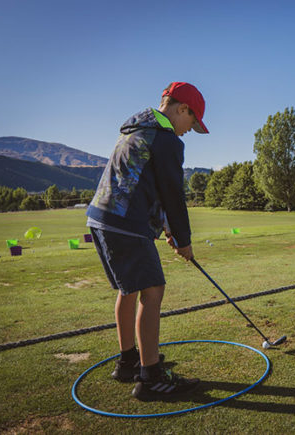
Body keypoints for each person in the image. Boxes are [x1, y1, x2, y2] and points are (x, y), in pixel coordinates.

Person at [86, 82, 209, 400]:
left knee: (129, 290)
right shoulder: (167, 140)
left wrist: (166, 227)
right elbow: (172, 193)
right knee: (152, 291)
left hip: (101, 219)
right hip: (127, 225)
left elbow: (146, 185)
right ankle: (150, 377)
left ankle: (129, 361)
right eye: (191, 124)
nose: (188, 131)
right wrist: (183, 239)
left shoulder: (136, 128)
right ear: (182, 109)